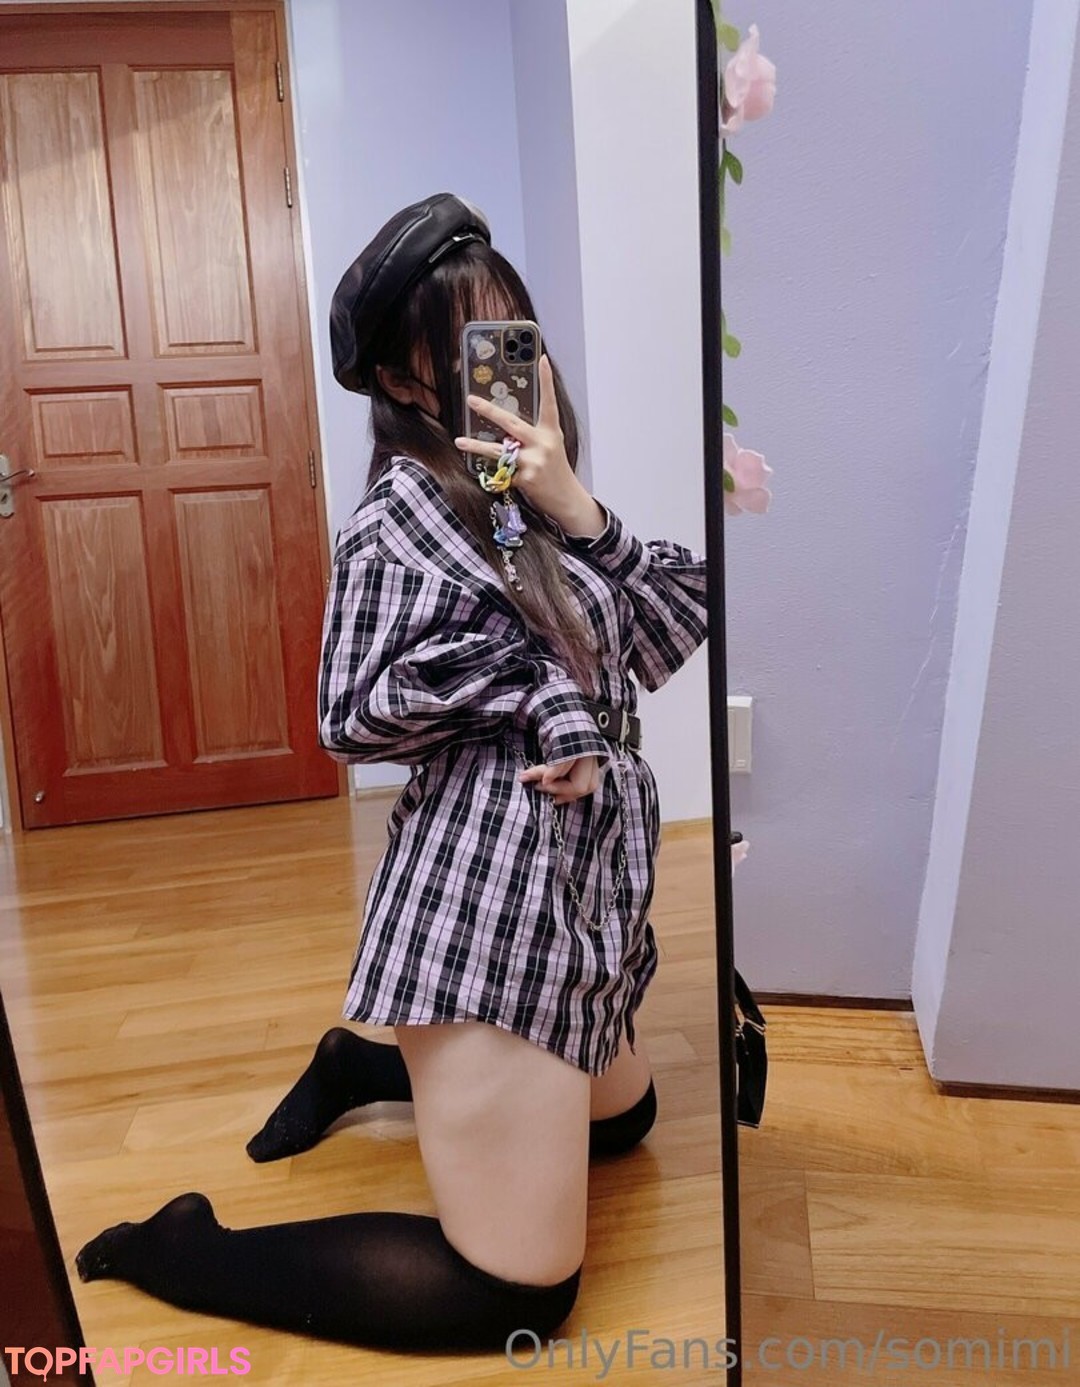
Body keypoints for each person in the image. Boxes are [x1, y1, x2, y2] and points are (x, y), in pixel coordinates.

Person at [75, 193, 708, 1355]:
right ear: (402, 379)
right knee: (518, 1294)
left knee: (628, 1125)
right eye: (466, 340)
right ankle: (184, 1245)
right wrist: (532, 694)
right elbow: (348, 710)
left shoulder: (526, 498)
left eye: (512, 328)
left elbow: (675, 622)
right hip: (496, 893)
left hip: (589, 895)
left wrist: (579, 505)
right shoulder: (402, 516)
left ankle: (360, 1063)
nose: (511, 361)